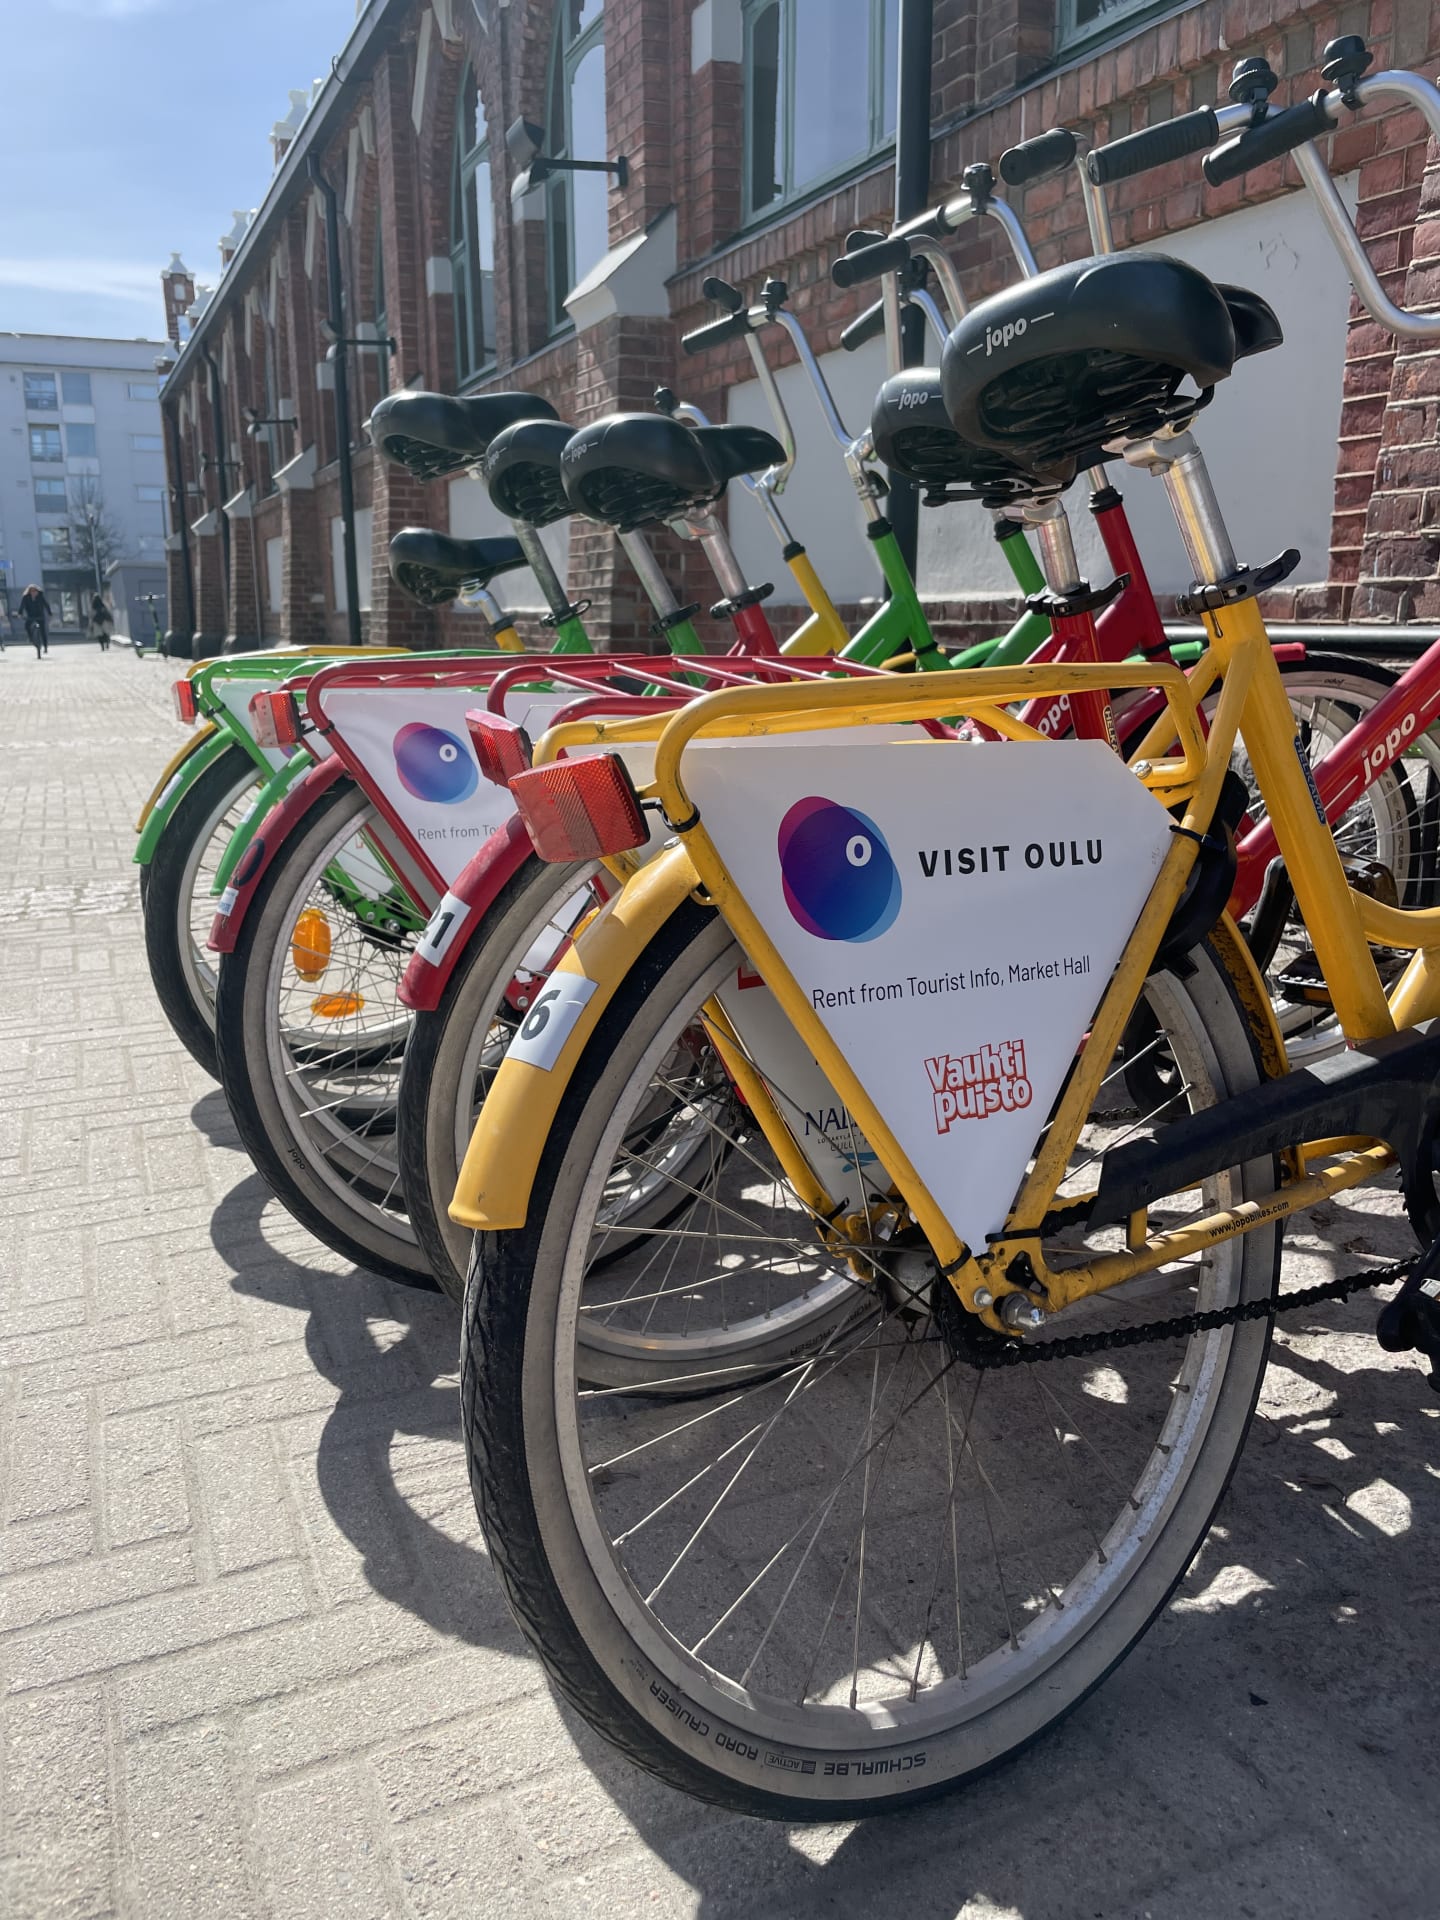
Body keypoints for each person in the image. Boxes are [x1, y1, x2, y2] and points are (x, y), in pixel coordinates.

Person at [18, 584, 51, 658]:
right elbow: (22, 606)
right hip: (31, 616)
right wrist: (20, 613)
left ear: (37, 591)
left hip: (40, 615)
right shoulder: (26, 597)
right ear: (29, 592)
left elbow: (46, 605)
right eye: (31, 591)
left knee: (43, 631)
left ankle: (45, 646)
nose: (33, 592)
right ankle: (30, 638)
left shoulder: (40, 597)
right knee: (27, 626)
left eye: (35, 591)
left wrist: (49, 613)